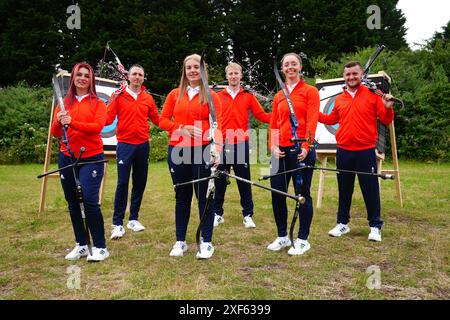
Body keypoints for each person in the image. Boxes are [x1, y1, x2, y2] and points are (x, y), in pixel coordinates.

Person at [319, 61, 394, 242]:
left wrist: (388, 107)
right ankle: (342, 223)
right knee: (344, 189)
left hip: (365, 151)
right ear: (344, 77)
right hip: (343, 151)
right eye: (348, 75)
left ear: (361, 75)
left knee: (370, 189)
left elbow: (385, 119)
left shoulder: (373, 95)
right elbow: (331, 119)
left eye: (354, 74)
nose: (351, 77)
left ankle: (375, 226)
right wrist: (312, 112)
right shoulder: (340, 99)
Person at [159, 54, 222, 259]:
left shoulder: (212, 95)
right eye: (189, 68)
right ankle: (180, 241)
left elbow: (218, 126)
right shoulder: (174, 94)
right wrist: (181, 128)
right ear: (184, 71)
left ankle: (206, 242)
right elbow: (162, 121)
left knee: (204, 197)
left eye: (196, 67)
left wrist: (218, 150)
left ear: (203, 70)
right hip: (178, 150)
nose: (193, 70)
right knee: (182, 197)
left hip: (204, 150)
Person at [50, 62, 109, 262]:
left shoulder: (99, 103)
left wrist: (71, 122)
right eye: (79, 75)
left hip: (91, 157)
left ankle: (100, 246)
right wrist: (59, 121)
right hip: (67, 156)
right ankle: (82, 244)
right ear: (73, 78)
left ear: (91, 79)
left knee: (90, 201)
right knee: (73, 202)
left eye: (86, 75)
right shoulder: (64, 102)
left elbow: (97, 127)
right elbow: (56, 133)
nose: (82, 78)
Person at [268, 53, 319, 255]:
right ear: (282, 69)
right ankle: (282, 237)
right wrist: (272, 146)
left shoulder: (310, 91)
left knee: (302, 194)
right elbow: (273, 124)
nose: (290, 67)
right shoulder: (279, 95)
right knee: (277, 193)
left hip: (300, 150)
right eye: (286, 64)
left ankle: (302, 239)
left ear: (300, 67)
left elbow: (312, 120)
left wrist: (306, 146)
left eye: (294, 64)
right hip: (279, 151)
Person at [213, 62, 271, 229]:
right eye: (230, 73)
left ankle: (247, 215)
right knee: (220, 180)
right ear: (226, 76)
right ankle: (218, 214)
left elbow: (261, 115)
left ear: (241, 76)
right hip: (221, 143)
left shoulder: (248, 95)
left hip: (240, 142)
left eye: (236, 73)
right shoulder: (218, 96)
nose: (233, 76)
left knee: (244, 181)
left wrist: (279, 114)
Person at [106, 64, 160, 240]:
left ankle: (133, 219)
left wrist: (177, 125)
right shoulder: (119, 95)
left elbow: (157, 120)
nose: (137, 77)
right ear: (128, 76)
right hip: (125, 145)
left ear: (144, 78)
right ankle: (117, 223)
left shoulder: (148, 98)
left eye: (140, 74)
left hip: (143, 145)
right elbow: (106, 119)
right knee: (122, 183)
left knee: (140, 182)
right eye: (134, 74)